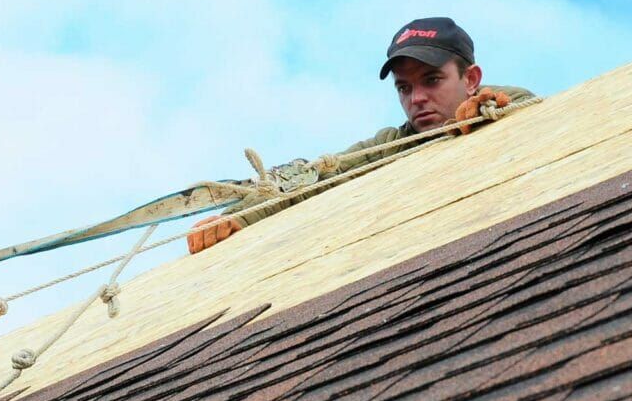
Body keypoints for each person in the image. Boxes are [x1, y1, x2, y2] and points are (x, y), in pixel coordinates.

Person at [188, 17, 536, 253]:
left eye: (431, 81)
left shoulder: (506, 103)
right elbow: (315, 179)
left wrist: (488, 113)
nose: (416, 98)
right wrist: (238, 219)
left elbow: (528, 110)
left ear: (471, 79)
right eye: (404, 87)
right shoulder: (390, 145)